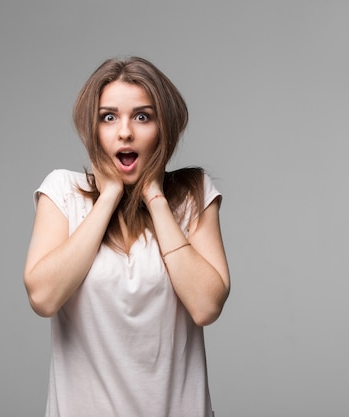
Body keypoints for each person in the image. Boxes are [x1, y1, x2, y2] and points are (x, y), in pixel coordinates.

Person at [23, 56, 230, 417]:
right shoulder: (62, 191)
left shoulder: (192, 194)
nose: (125, 132)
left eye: (142, 116)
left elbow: (206, 306)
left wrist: (155, 197)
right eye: (109, 117)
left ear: (163, 127)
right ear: (93, 128)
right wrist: (109, 198)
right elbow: (43, 297)